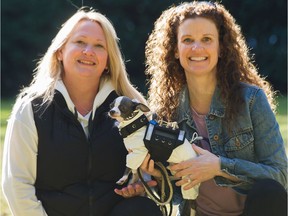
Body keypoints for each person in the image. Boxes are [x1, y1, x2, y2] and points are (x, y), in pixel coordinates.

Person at [2, 7, 162, 216]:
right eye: (80, 42)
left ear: (107, 60)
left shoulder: (131, 109)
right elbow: (17, 186)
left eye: (98, 46)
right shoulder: (31, 109)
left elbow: (151, 176)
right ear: (60, 51)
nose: (89, 51)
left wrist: (143, 187)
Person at [144, 1, 287, 216]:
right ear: (175, 50)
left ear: (221, 48)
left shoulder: (252, 100)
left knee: (269, 191)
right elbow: (174, 195)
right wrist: (157, 175)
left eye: (207, 39)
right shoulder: (165, 111)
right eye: (188, 40)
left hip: (254, 211)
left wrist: (220, 166)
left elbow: (280, 176)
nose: (197, 48)